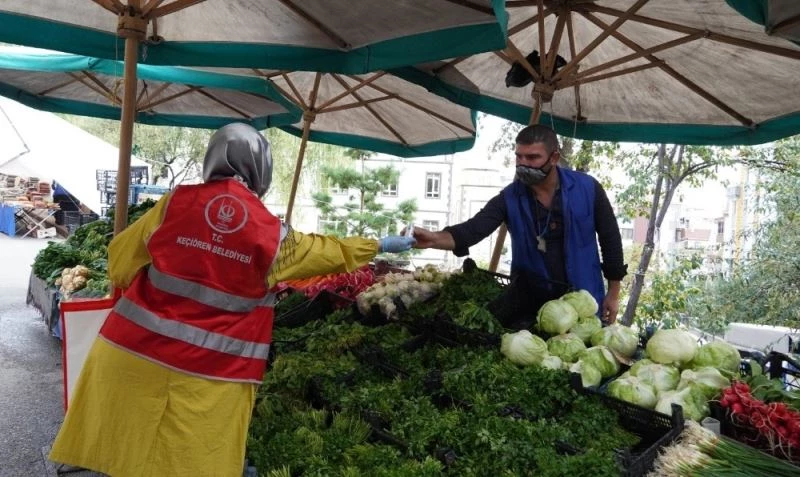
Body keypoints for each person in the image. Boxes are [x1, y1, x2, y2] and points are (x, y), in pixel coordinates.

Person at [48, 123, 415, 476]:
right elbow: (325, 252)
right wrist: (379, 245)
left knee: (129, 455)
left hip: (132, 355)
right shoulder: (272, 234)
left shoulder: (175, 203)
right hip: (213, 377)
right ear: (260, 169)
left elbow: (119, 261)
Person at [410, 124, 626, 326]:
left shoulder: (587, 188)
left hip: (584, 302)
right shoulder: (510, 197)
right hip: (530, 306)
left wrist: (613, 293)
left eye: (532, 157)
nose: (523, 164)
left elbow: (611, 239)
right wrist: (434, 239)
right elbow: (472, 230)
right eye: (519, 157)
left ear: (554, 158)